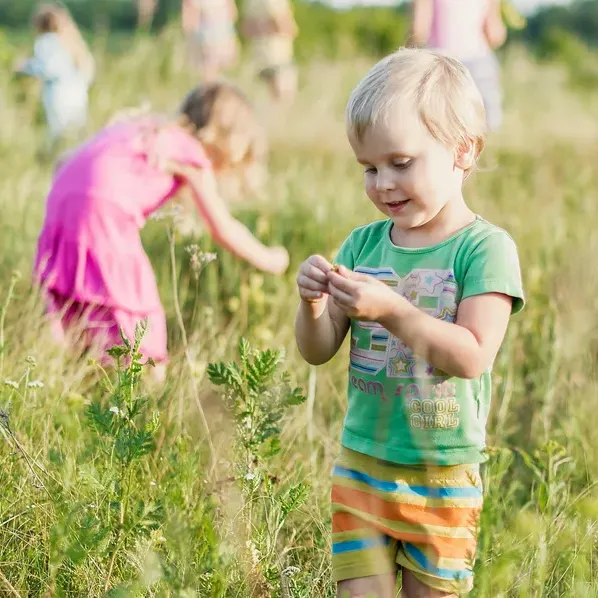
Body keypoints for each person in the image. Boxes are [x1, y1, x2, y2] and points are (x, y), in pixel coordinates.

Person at [295, 48, 524, 597]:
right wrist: (311, 307)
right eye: (369, 168)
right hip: (362, 461)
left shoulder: (484, 250)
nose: (382, 183)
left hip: (440, 471)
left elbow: (473, 354)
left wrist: (394, 310)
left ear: (463, 151)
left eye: (401, 163)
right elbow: (319, 350)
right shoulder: (363, 243)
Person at [35, 82, 289, 381]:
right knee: (142, 314)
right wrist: (271, 259)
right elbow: (223, 227)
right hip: (105, 212)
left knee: (85, 297)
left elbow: (64, 161)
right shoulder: (191, 154)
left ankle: (67, 371)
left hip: (61, 201)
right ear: (228, 139)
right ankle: (150, 393)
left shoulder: (146, 128)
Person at [410, 0, 506, 132]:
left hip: (440, 62)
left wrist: (406, 54)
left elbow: (419, 31)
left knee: (439, 124)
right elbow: (494, 34)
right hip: (478, 60)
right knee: (484, 122)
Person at [15, 3, 95, 148]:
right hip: (78, 96)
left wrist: (25, 66)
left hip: (58, 97)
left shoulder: (46, 41)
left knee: (58, 137)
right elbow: (88, 70)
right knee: (77, 138)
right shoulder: (72, 41)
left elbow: (48, 69)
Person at [240, 0, 298, 101]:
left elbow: (245, 28)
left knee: (269, 101)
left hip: (258, 57)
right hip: (280, 56)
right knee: (284, 101)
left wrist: (260, 28)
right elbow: (286, 28)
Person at [182, 0, 239, 80]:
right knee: (210, 64)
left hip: (217, 24)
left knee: (214, 64)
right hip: (207, 25)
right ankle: (211, 85)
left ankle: (212, 84)